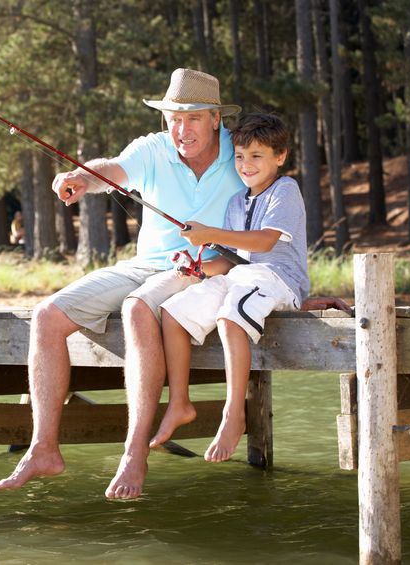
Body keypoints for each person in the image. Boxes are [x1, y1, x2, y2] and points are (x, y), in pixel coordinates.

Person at [0, 68, 246, 498]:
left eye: (193, 119)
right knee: (46, 316)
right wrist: (79, 179)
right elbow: (109, 169)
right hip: (146, 265)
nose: (181, 130)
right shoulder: (152, 149)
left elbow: (269, 212)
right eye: (173, 118)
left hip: (206, 272)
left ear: (216, 117)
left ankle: (134, 453)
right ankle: (43, 449)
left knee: (137, 307)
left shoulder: (240, 155)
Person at [149, 113, 308, 464]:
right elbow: (233, 259)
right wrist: (197, 268)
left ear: (280, 156)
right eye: (239, 156)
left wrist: (210, 234)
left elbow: (265, 243)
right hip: (244, 277)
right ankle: (180, 402)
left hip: (278, 279)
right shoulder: (238, 202)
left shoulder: (286, 190)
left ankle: (233, 412)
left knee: (230, 316)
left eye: (256, 156)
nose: (245, 164)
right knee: (173, 311)